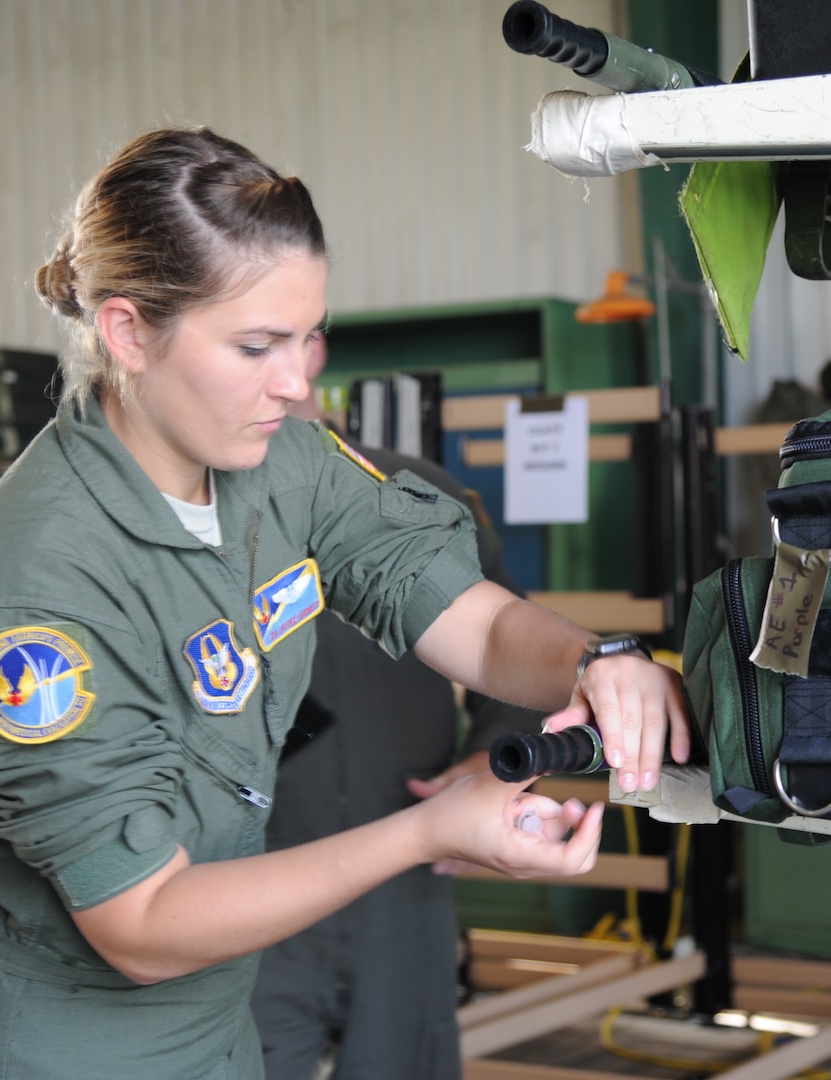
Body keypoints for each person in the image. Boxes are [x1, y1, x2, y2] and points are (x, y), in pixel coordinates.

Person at [0, 126, 690, 1080]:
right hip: (46, 1048)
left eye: (307, 337)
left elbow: (461, 609)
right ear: (128, 332)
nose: (299, 382)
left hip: (212, 1034)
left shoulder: (278, 463)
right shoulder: (41, 588)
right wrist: (427, 830)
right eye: (256, 345)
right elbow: (141, 923)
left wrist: (597, 662)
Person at [251, 343, 545, 1080]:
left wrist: (493, 759)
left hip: (406, 865)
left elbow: (508, 651)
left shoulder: (416, 492)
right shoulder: (193, 514)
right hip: (251, 878)